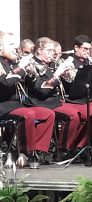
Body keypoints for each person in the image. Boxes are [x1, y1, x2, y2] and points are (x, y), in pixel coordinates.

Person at [0, 31, 55, 159]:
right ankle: (25, 153)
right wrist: (21, 68)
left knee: (48, 114)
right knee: (28, 114)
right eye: (11, 44)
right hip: (4, 104)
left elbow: (26, 84)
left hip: (18, 103)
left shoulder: (12, 62)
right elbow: (6, 83)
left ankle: (38, 149)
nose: (15, 47)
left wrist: (30, 74)